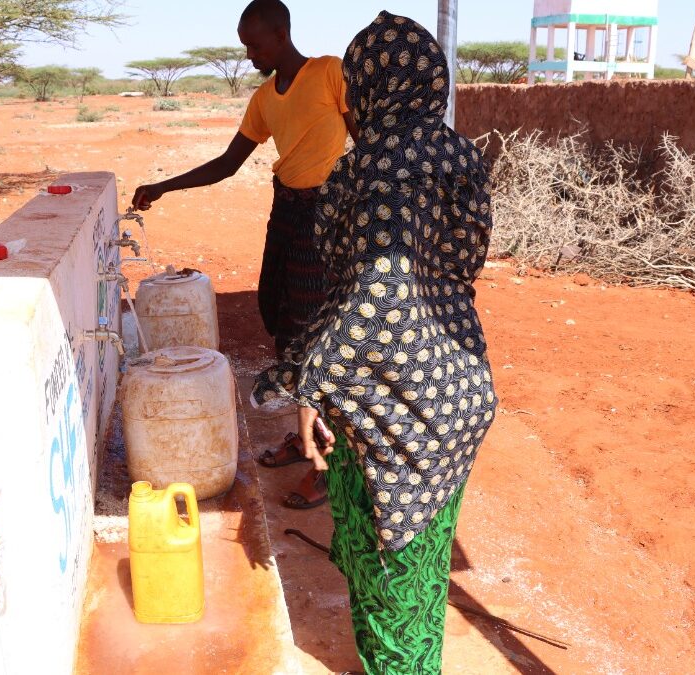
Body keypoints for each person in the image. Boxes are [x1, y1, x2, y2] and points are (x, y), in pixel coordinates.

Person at [252, 11, 498, 674]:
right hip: (454, 384)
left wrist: (302, 375)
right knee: (419, 561)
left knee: (388, 566)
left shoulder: (371, 167)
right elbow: (460, 262)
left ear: (363, 88)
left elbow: (378, 295)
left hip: (396, 401)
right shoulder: (459, 155)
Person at [132, 0, 356, 509]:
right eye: (245, 46)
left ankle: (327, 460)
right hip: (287, 211)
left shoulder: (328, 73)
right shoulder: (262, 98)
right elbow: (230, 163)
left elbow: (362, 140)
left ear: (281, 34)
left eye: (254, 45)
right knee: (278, 314)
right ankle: (304, 438)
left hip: (327, 215)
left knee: (312, 332)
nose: (249, 54)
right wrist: (165, 186)